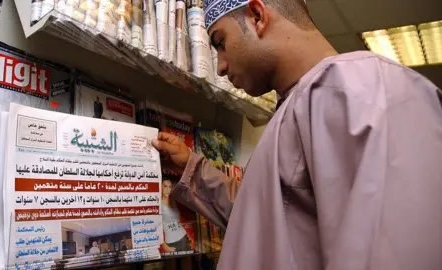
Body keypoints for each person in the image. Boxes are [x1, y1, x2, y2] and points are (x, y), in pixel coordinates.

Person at [151, 0, 442, 269]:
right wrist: (191, 164)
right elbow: (267, 220)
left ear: (257, 16)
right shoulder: (297, 105)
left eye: (221, 43)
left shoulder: (366, 87)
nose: (222, 67)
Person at [160, 178, 192, 253]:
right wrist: (164, 246)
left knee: (187, 264)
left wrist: (188, 235)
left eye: (170, 187)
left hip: (184, 238)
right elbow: (156, 228)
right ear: (161, 187)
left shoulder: (173, 202)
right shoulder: (158, 205)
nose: (168, 189)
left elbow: (177, 222)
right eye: (165, 186)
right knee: (172, 264)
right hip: (172, 242)